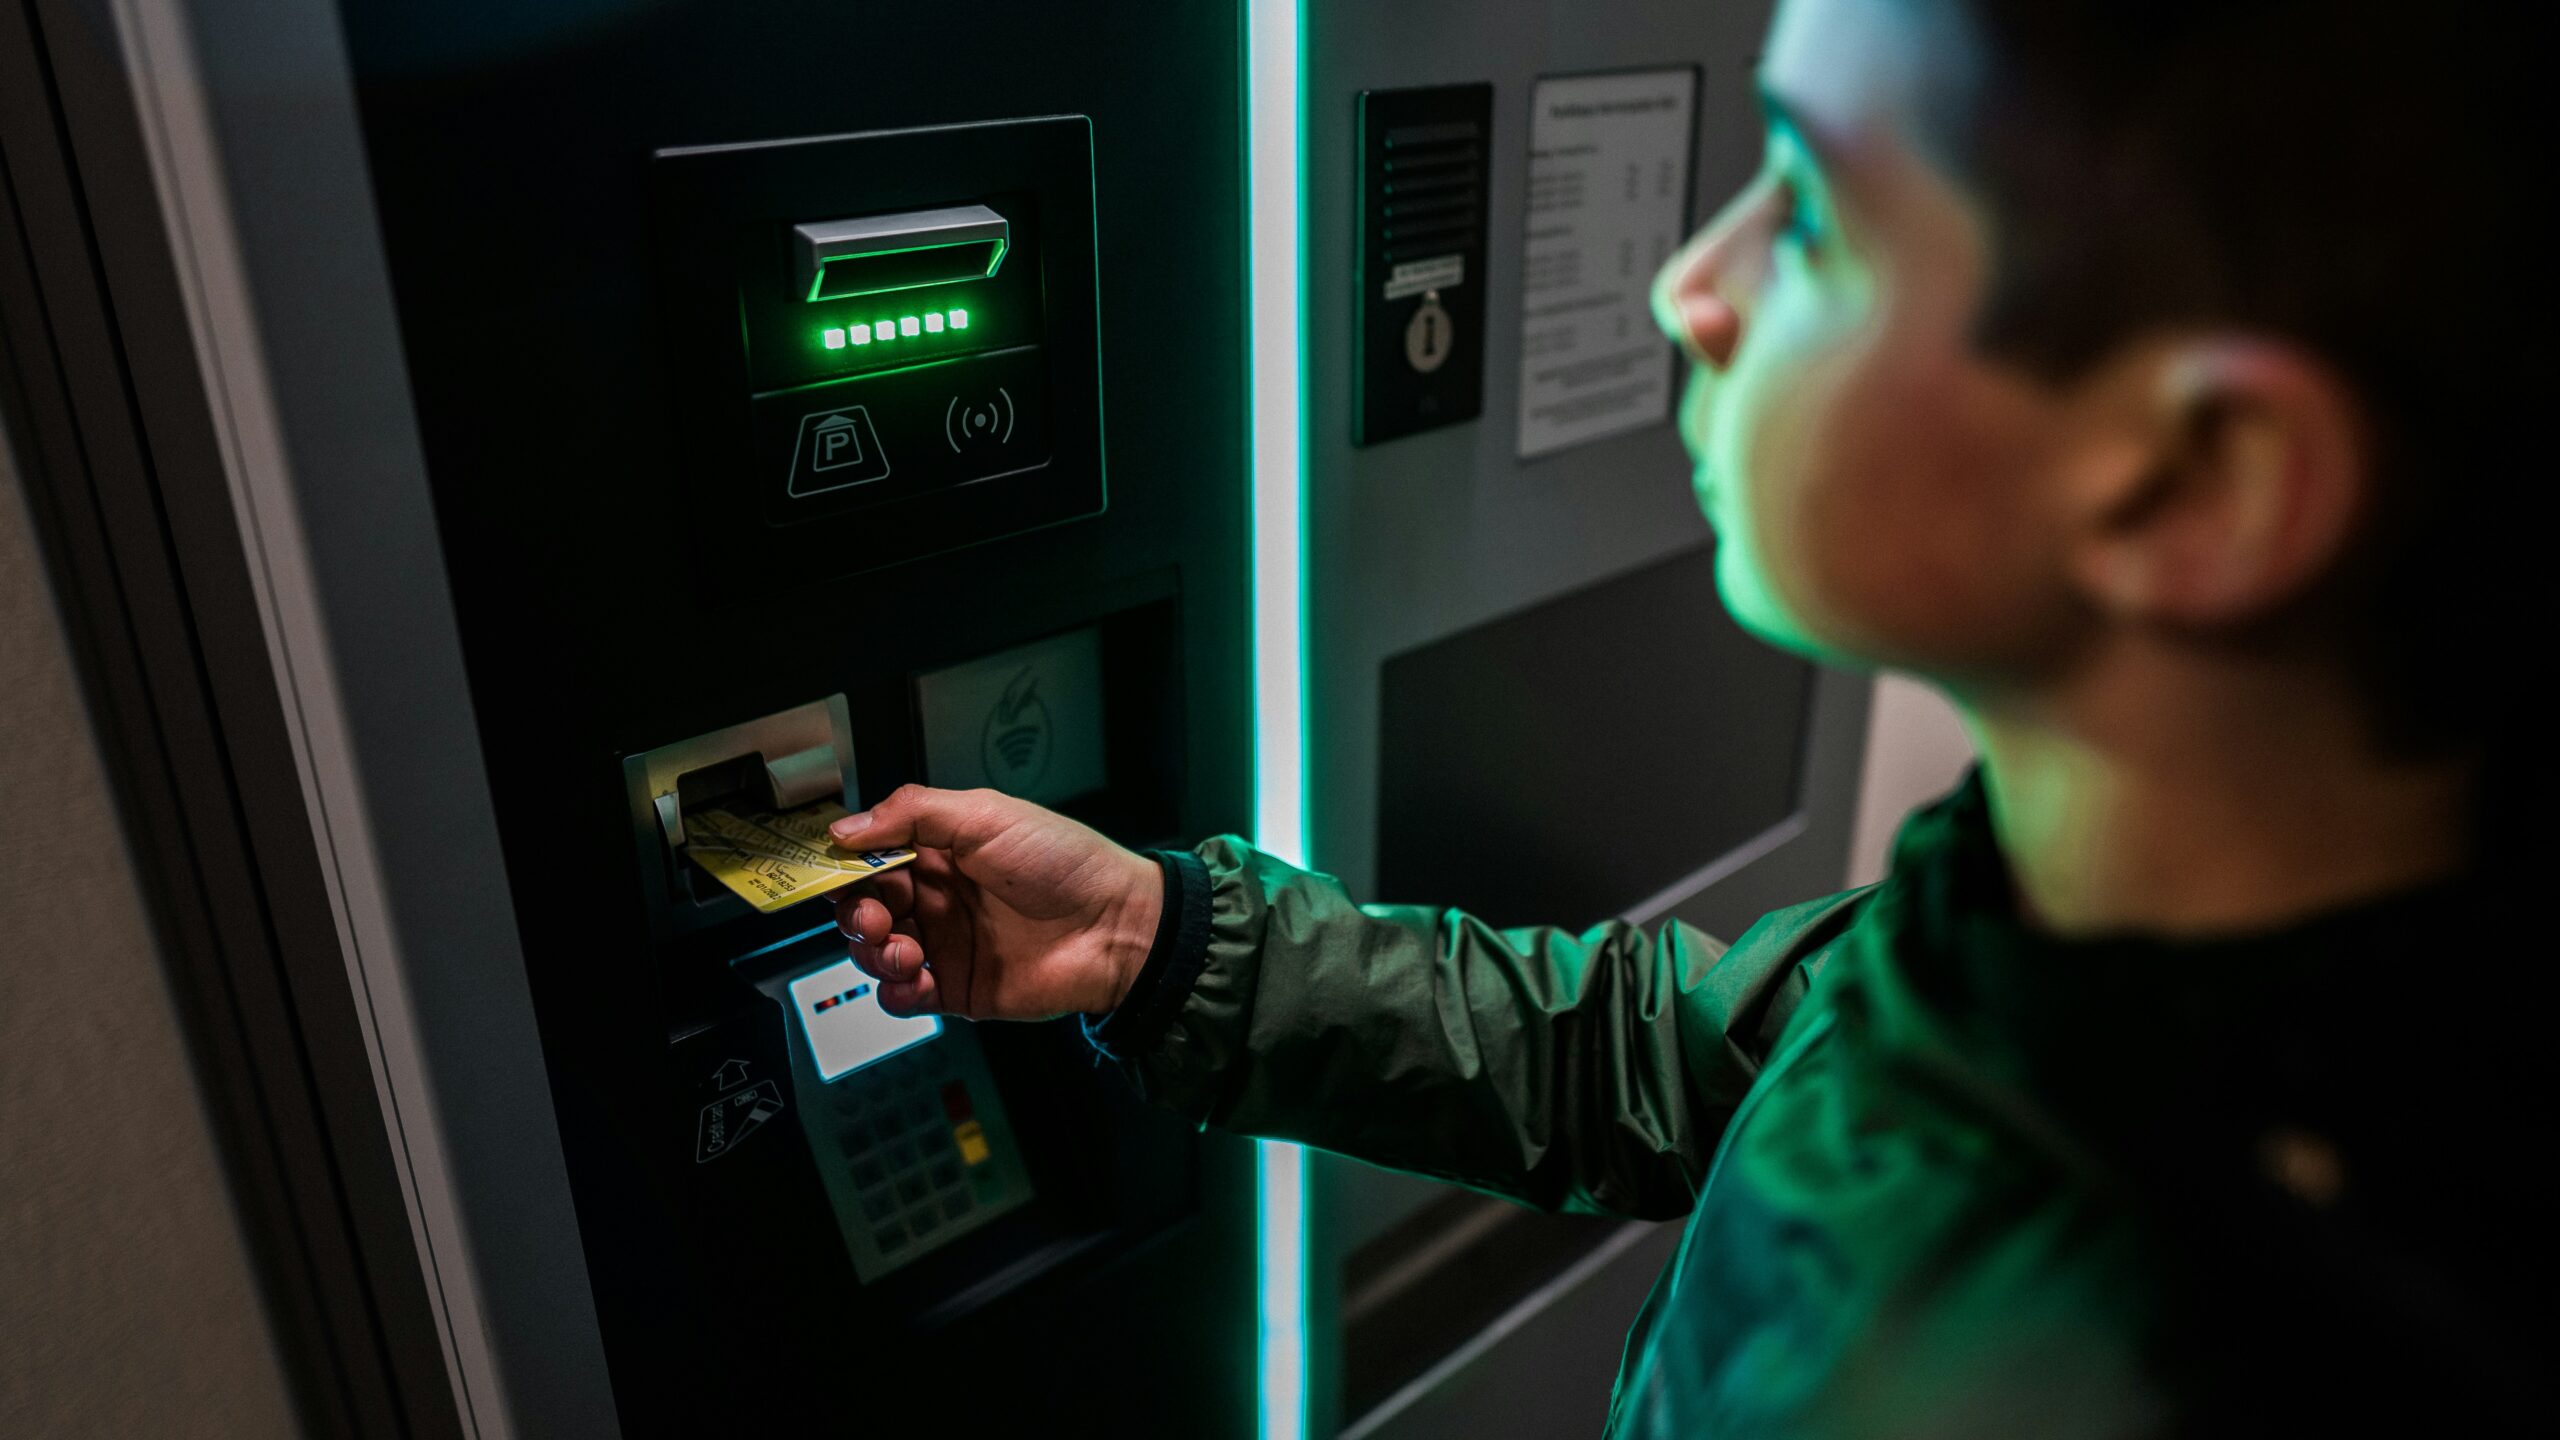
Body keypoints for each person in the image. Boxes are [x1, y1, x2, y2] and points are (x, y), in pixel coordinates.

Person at [828, 0, 2548, 1431]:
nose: (1690, 287)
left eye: (1807, 209)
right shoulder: (2026, 935)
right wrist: (1162, 937)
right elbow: (1655, 1060)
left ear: (2203, 485)